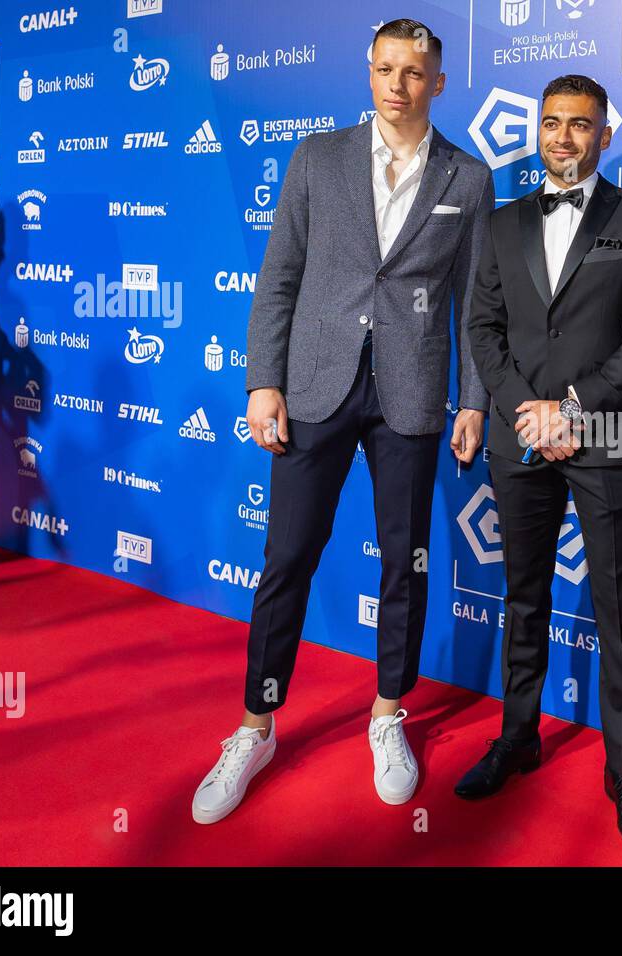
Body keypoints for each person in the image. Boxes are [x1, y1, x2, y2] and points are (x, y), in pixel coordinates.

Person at [192, 18, 494, 823]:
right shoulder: (317, 157)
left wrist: (473, 400)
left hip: (412, 393)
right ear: (370, 73)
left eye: (415, 71)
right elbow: (279, 277)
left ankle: (387, 715)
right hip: (315, 385)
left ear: (439, 80)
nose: (399, 84)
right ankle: (256, 726)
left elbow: (474, 304)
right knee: (286, 557)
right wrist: (264, 383)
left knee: (406, 564)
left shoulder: (468, 177)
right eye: (386, 69)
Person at [456, 74, 622, 851]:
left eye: (580, 126)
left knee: (619, 612)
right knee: (523, 596)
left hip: (604, 432)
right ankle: (518, 738)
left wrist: (571, 408)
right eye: (552, 123)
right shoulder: (505, 221)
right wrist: (527, 409)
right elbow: (483, 327)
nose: (562, 138)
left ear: (604, 135)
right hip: (521, 430)